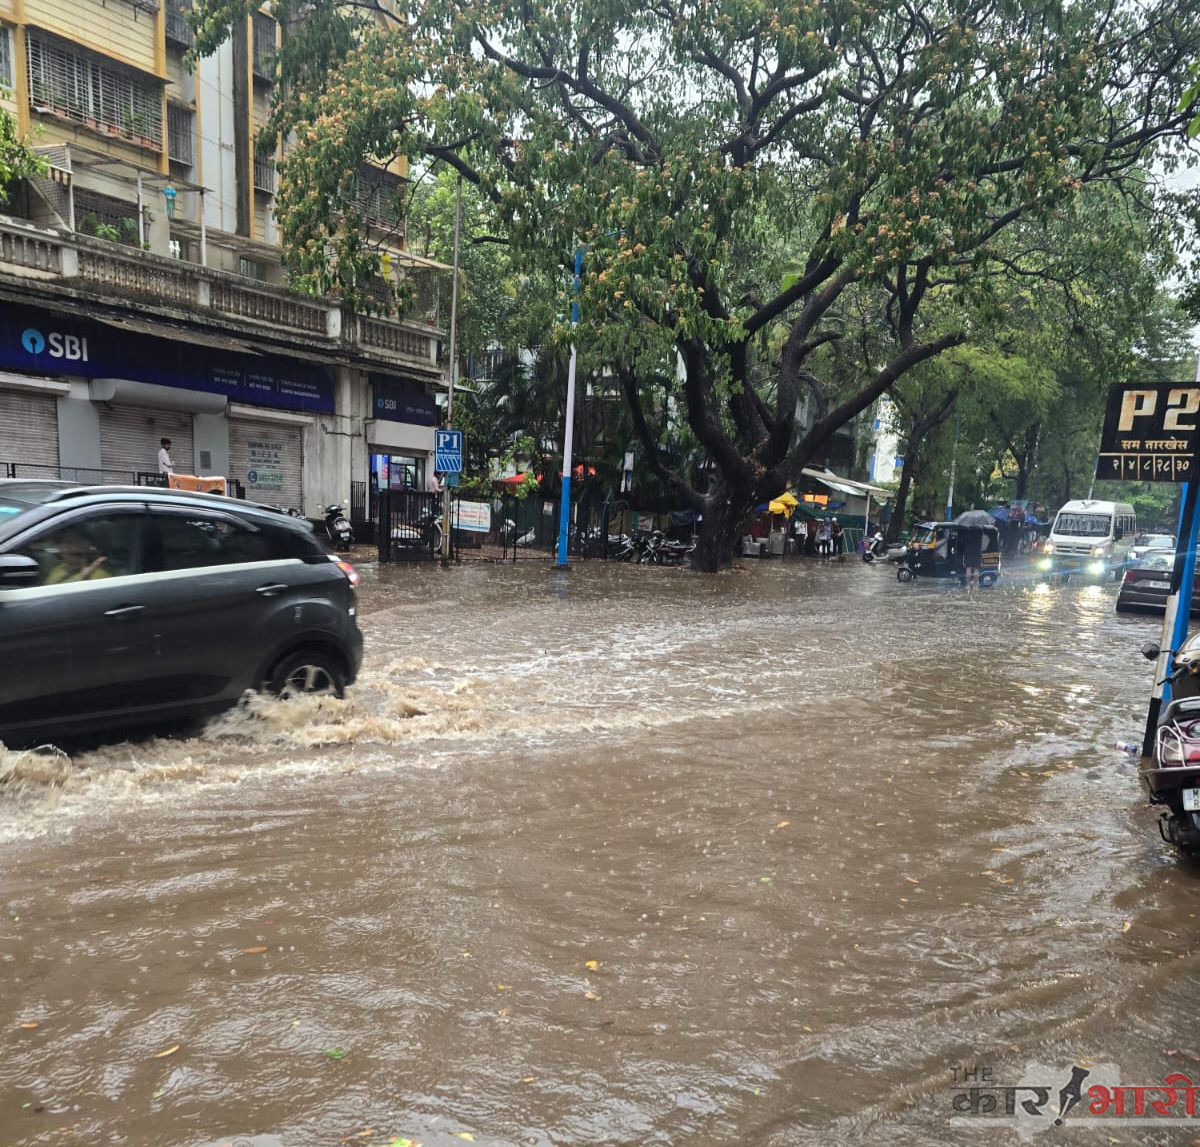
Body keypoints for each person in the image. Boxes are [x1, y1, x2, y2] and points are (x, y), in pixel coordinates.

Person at [43, 529, 110, 585]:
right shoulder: (56, 570)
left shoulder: (100, 577)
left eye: (78, 541)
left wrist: (82, 576)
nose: (66, 548)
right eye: (67, 542)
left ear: (87, 545)